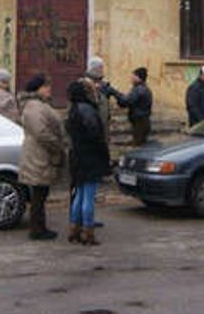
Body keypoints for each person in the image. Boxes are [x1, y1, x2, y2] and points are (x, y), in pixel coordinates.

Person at [18, 73, 68, 241]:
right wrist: (56, 145)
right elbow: (41, 133)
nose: (49, 90)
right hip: (38, 156)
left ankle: (40, 227)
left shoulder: (38, 105)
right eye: (46, 87)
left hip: (41, 154)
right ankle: (37, 230)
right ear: (37, 89)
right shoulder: (34, 106)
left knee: (41, 194)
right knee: (39, 195)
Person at [65, 78, 110, 245]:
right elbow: (95, 134)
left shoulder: (73, 110)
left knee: (79, 194)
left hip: (77, 155)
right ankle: (88, 232)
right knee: (88, 197)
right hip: (90, 156)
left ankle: (74, 229)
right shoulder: (88, 110)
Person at [113, 67, 153, 146]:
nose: (131, 79)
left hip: (140, 122)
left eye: (133, 77)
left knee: (138, 145)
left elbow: (126, 101)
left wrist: (115, 93)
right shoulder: (143, 88)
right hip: (142, 120)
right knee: (141, 144)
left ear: (138, 77)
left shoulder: (139, 90)